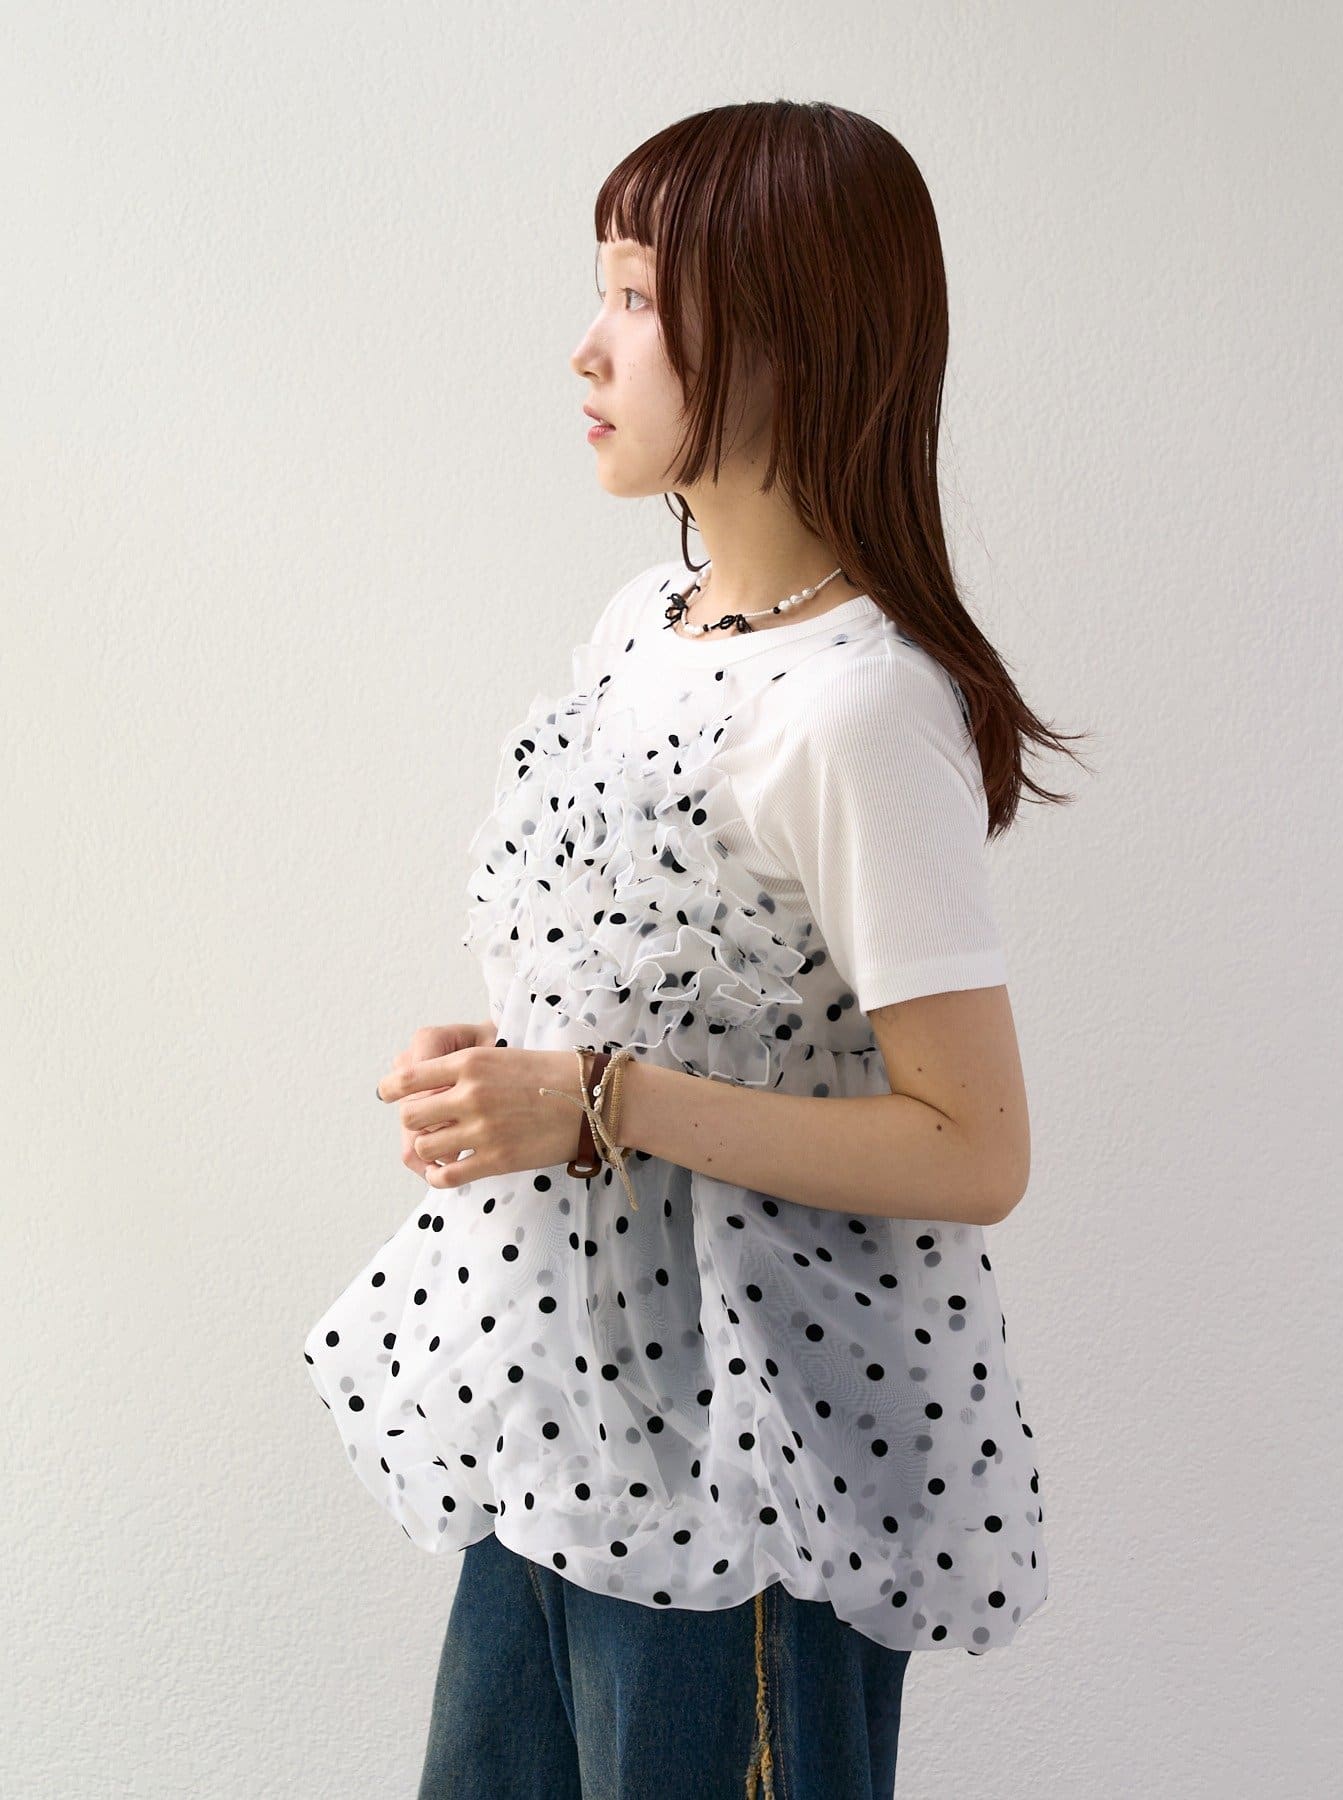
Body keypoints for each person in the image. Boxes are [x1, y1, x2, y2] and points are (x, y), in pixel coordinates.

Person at [304, 99, 1089, 1799]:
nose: (588, 347)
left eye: (639, 298)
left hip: (751, 1476)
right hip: (565, 1423)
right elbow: (681, 1004)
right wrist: (510, 1078)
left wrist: (600, 1098)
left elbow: (976, 1148)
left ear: (792, 333)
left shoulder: (861, 707)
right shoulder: (642, 629)